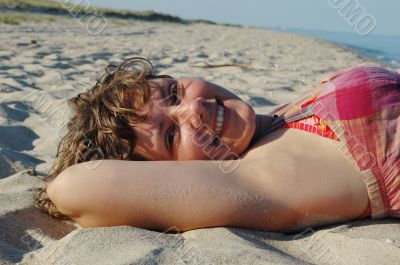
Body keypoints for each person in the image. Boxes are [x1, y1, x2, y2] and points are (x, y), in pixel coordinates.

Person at [34, 57, 400, 232]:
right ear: (183, 176)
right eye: (172, 135)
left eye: (174, 92)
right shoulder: (262, 176)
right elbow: (75, 188)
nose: (194, 107)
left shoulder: (273, 122)